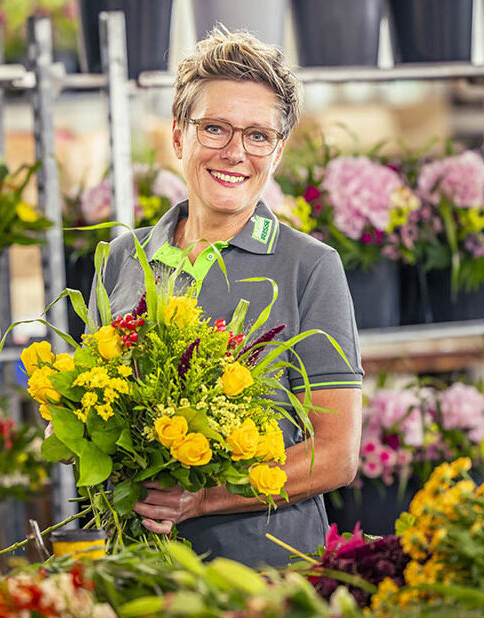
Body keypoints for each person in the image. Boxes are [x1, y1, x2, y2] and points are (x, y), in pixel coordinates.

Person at [90, 28, 363, 567]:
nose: (235, 152)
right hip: (138, 568)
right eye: (214, 128)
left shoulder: (309, 267)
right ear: (178, 137)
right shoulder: (122, 259)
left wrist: (202, 500)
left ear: (278, 151)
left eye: (258, 136)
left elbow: (336, 455)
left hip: (268, 576)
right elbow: (95, 406)